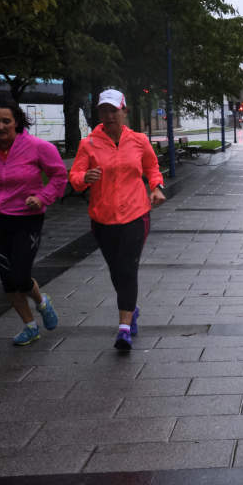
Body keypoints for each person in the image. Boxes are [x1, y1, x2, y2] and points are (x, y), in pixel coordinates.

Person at [69, 89, 165, 351]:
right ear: (99, 113)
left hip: (135, 214)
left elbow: (151, 167)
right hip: (102, 218)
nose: (110, 115)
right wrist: (83, 179)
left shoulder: (139, 141)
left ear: (124, 111)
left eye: (114, 110)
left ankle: (123, 329)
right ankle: (131, 310)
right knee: (116, 270)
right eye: (104, 111)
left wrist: (156, 187)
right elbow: (75, 176)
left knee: (128, 267)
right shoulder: (88, 144)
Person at [0, 99, 67, 346]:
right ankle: (30, 326)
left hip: (26, 219)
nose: (0, 126)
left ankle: (42, 303)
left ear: (17, 122)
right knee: (7, 278)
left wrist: (42, 197)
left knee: (21, 276)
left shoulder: (37, 147)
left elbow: (59, 175)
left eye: (6, 121)